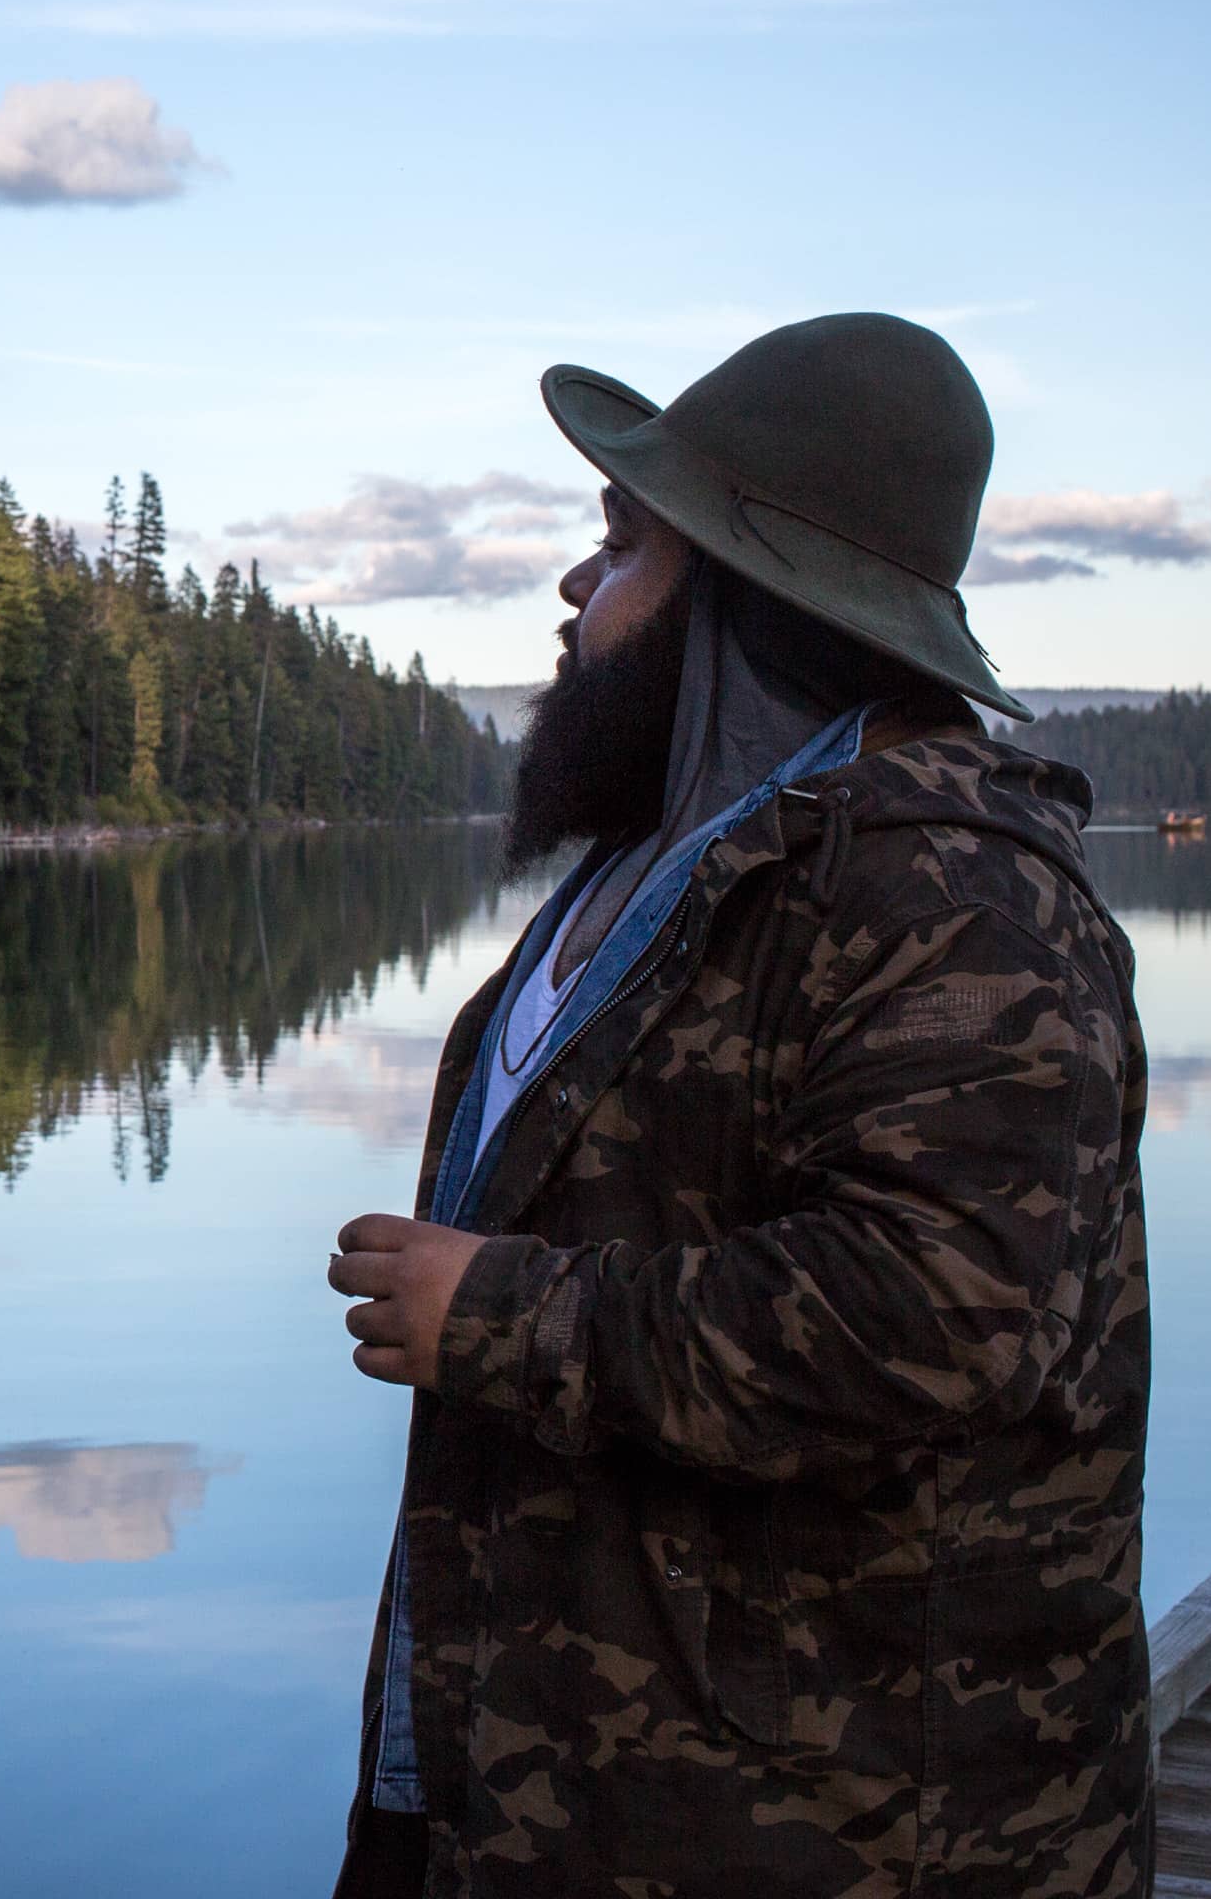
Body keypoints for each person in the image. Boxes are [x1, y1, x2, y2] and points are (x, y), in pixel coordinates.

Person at [323, 314, 1152, 1898]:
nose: (577, 584)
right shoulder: (668, 869)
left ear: (746, 587)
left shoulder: (955, 899)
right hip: (541, 1799)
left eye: (624, 543)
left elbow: (938, 1318)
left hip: (832, 1840)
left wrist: (499, 1317)